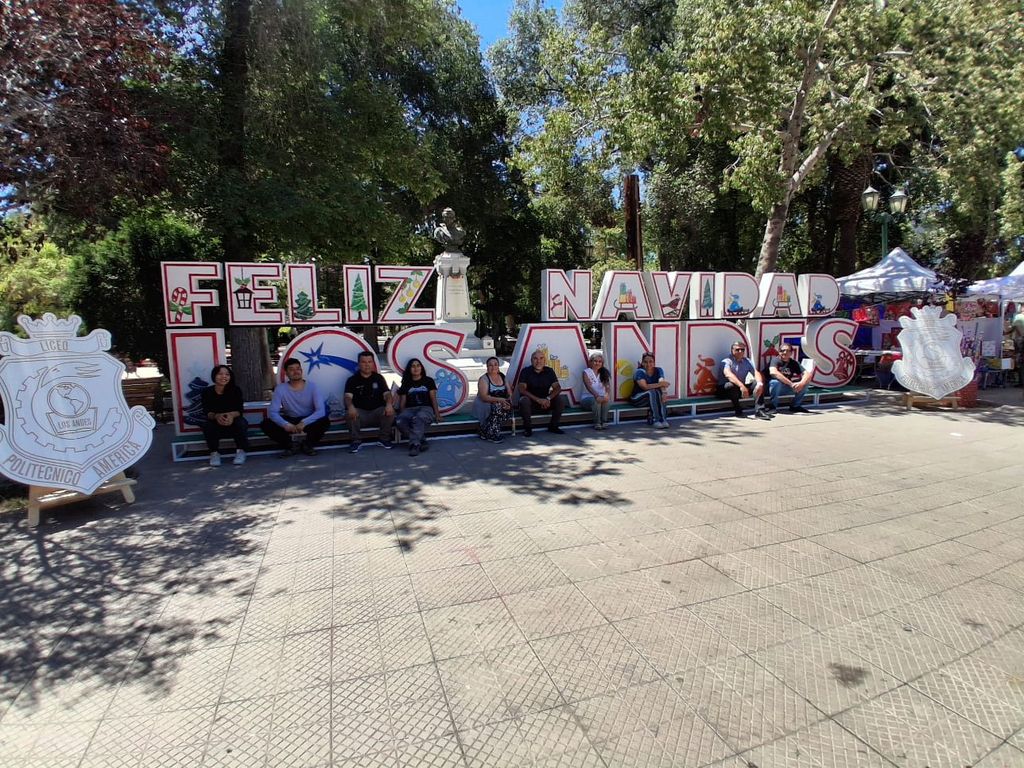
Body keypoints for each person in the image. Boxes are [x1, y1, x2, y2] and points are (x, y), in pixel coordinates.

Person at [260, 358, 331, 456]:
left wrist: (304, 422)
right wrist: (285, 424)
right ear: (286, 373)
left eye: (298, 368)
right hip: (290, 420)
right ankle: (291, 445)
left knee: (324, 421)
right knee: (266, 424)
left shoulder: (312, 387)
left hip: (308, 420)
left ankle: (308, 445)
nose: (296, 371)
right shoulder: (280, 389)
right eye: (291, 369)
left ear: (301, 371)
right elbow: (273, 412)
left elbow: (320, 411)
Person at [345, 351, 395, 453]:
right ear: (359, 364)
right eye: (363, 362)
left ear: (373, 363)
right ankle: (356, 441)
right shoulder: (352, 380)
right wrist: (350, 407)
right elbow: (347, 397)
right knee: (349, 414)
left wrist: (389, 404)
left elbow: (387, 394)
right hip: (360, 413)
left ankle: (384, 439)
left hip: (377, 412)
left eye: (369, 362)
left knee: (390, 412)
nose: (367, 365)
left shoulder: (379, 378)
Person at [202, 365, 249, 466]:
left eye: (227, 374)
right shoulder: (207, 392)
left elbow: (240, 410)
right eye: (220, 374)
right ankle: (214, 453)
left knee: (241, 422)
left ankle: (241, 451)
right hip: (216, 423)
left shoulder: (236, 390)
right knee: (207, 425)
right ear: (214, 376)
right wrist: (217, 416)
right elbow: (207, 412)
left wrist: (231, 415)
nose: (224, 376)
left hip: (233, 421)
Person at [395, 358, 441, 457]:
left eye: (418, 365)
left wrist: (437, 414)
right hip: (410, 409)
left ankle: (415, 445)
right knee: (399, 421)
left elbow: (433, 398)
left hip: (425, 408)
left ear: (421, 368)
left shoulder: (428, 381)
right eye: (413, 366)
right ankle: (421, 440)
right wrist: (401, 414)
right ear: (409, 369)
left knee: (418, 418)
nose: (416, 368)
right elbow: (403, 402)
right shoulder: (406, 383)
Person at [517, 349, 566, 437]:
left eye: (541, 358)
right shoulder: (525, 371)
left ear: (545, 360)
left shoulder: (549, 371)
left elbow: (558, 388)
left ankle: (553, 426)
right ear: (531, 360)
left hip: (546, 403)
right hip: (531, 403)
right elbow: (521, 389)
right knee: (523, 400)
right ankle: (528, 428)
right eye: (535, 358)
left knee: (560, 399)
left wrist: (548, 399)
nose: (538, 361)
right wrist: (538, 400)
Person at [717, 341, 768, 419]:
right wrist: (741, 386)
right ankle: (738, 410)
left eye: (742, 349)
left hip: (740, 389)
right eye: (737, 350)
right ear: (732, 350)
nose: (740, 351)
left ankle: (760, 411)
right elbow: (728, 375)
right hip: (724, 390)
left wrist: (760, 384)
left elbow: (755, 372)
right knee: (731, 385)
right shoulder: (726, 361)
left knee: (756, 384)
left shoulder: (747, 361)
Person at [474, 356, 512, 442]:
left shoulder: (503, 377)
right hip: (485, 403)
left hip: (502, 402)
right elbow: (484, 397)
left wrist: (507, 401)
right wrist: (500, 400)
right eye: (490, 365)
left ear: (498, 366)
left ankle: (484, 430)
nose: (493, 367)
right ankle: (493, 434)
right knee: (497, 408)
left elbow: (509, 393)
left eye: (495, 364)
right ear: (487, 367)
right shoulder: (484, 379)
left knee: (503, 408)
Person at [766, 344, 812, 414]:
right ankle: (772, 407)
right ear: (779, 352)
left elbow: (807, 374)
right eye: (782, 350)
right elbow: (774, 372)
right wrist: (791, 384)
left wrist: (801, 383)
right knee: (775, 382)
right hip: (770, 389)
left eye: (788, 351)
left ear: (791, 353)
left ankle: (795, 406)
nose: (785, 352)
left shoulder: (794, 363)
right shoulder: (775, 360)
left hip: (785, 387)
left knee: (805, 383)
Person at [629, 353, 670, 428]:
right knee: (652, 392)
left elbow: (661, 381)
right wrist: (661, 384)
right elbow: (645, 387)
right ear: (642, 363)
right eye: (645, 362)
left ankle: (663, 420)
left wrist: (664, 392)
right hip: (637, 399)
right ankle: (655, 420)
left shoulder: (658, 370)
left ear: (654, 362)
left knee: (660, 392)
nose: (648, 364)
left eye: (651, 361)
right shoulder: (639, 372)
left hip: (652, 398)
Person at [581, 353, 612, 430]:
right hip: (587, 399)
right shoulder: (586, 372)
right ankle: (597, 423)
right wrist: (597, 396)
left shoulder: (604, 372)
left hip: (601, 397)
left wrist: (607, 395)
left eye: (600, 361)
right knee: (596, 401)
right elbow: (588, 386)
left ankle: (604, 421)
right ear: (591, 362)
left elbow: (607, 386)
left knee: (607, 401)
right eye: (595, 361)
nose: (597, 363)